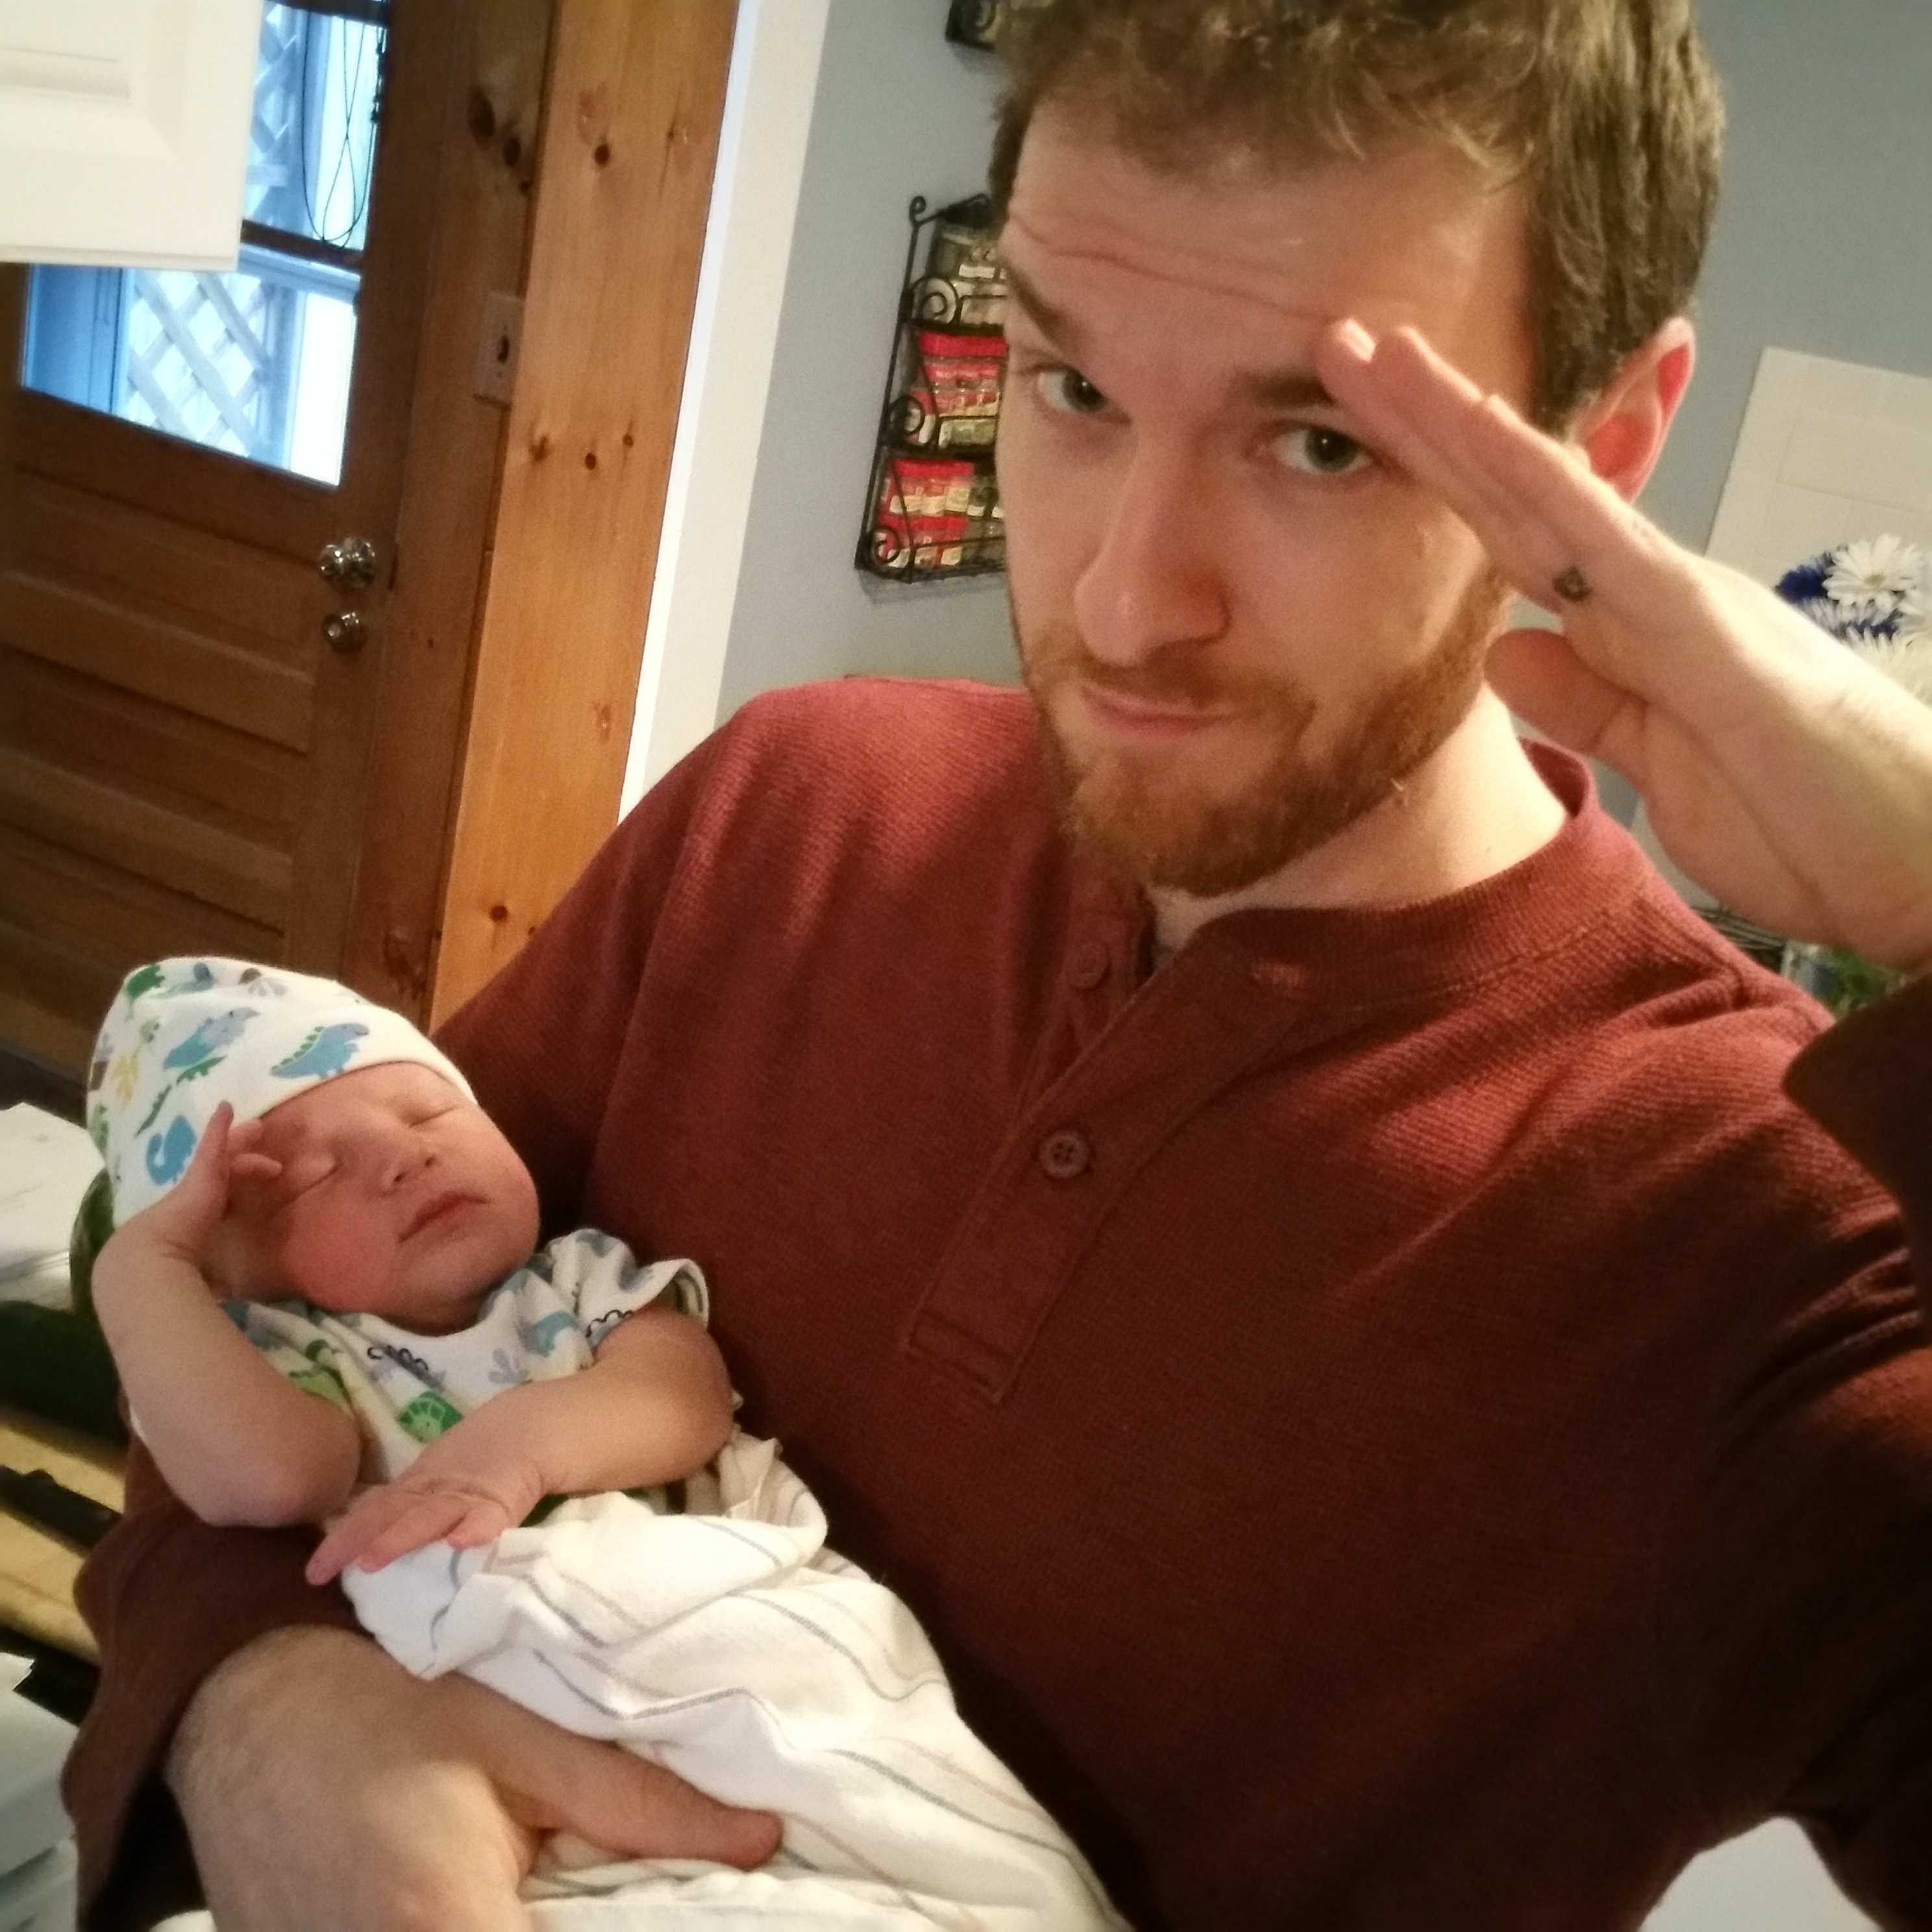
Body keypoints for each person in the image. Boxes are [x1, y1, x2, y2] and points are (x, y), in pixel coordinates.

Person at [63, 1, 1932, 1928]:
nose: (1124, 600)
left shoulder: (1777, 1236)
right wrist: (274, 1719)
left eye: (1320, 441)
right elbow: (289, 1346)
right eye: (1073, 386)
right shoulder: (793, 810)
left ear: (1601, 448)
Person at [83, 958, 1124, 1930]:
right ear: (233, 1275)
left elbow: (685, 1395)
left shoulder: (571, 1283)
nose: (404, 1156)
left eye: (429, 1110)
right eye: (316, 1176)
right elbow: (269, 1482)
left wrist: (522, 1447)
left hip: (707, 1656)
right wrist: (141, 1281)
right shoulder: (290, 1356)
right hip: (495, 1748)